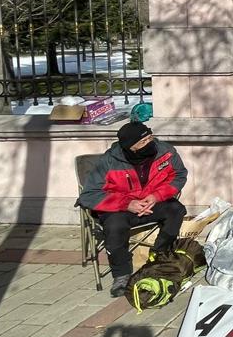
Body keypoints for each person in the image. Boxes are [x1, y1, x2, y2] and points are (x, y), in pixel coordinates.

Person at [78, 122, 188, 297]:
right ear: (130, 147)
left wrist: (156, 196)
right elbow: (89, 195)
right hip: (120, 207)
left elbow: (179, 175)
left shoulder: (165, 152)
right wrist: (126, 204)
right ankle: (121, 275)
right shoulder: (109, 162)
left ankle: (159, 256)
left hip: (152, 201)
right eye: (143, 142)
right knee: (114, 226)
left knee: (176, 210)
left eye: (150, 138)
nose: (149, 143)